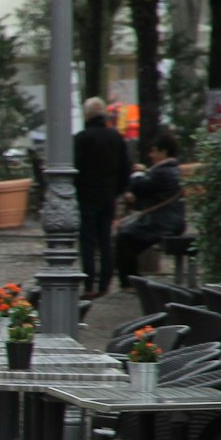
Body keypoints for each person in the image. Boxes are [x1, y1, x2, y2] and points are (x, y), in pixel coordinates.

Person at [74, 96, 134, 298]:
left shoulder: (82, 138)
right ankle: (105, 284)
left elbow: (75, 168)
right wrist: (117, 190)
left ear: (87, 115)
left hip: (86, 196)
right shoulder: (115, 137)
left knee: (88, 241)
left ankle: (89, 283)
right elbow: (125, 168)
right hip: (108, 195)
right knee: (106, 240)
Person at [113, 129, 189, 284]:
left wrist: (137, 173)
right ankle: (132, 278)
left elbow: (140, 186)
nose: (151, 155)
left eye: (154, 151)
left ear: (164, 152)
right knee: (128, 236)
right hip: (171, 220)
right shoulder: (172, 170)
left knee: (125, 237)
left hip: (163, 222)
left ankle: (129, 281)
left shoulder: (163, 172)